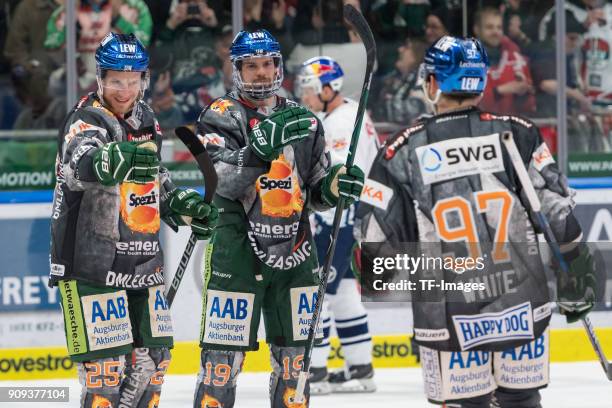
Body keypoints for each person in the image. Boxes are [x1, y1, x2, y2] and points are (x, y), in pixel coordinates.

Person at [357, 35, 596, 407]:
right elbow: (558, 215)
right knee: (522, 401)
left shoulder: (401, 150)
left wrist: (370, 272)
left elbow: (376, 246)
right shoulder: (518, 132)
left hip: (449, 315)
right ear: (480, 80)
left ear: (432, 82)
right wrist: (576, 270)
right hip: (522, 307)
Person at [193, 29, 365, 408]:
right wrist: (260, 148)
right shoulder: (219, 117)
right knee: (220, 367)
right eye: (251, 65)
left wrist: (337, 186)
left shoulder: (304, 119)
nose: (260, 73)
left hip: (296, 257)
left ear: (278, 67)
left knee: (295, 370)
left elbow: (317, 189)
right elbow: (223, 181)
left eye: (267, 64)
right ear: (237, 69)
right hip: (235, 257)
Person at [49, 32, 218, 407]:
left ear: (144, 79)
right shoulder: (85, 118)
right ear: (100, 79)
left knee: (154, 368)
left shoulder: (146, 118)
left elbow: (155, 180)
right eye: (115, 80)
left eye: (133, 79)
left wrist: (180, 204)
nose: (124, 89)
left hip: (142, 262)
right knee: (107, 377)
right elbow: (80, 164)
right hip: (89, 268)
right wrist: (112, 160)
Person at [296, 56, 378, 394]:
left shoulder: (342, 123)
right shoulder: (342, 113)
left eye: (309, 88)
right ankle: (361, 368)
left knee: (319, 293)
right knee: (343, 292)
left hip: (340, 218)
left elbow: (342, 181)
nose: (304, 94)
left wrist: (327, 219)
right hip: (350, 218)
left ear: (329, 88)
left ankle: (315, 372)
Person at [473, 7, 536, 116]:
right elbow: (469, 103)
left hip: (510, 127)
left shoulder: (515, 57)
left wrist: (523, 94)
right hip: (478, 128)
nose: (495, 32)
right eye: (489, 27)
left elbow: (529, 107)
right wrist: (500, 91)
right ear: (477, 29)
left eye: (499, 27)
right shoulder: (465, 59)